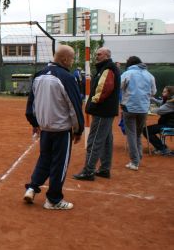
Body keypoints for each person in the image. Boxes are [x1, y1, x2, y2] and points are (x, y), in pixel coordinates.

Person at [23, 45, 84, 210]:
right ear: (64, 59)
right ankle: (53, 199)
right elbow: (74, 106)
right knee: (59, 164)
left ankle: (32, 188)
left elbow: (31, 104)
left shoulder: (39, 75)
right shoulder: (67, 77)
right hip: (61, 130)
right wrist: (78, 130)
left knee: (44, 159)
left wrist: (34, 123)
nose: (72, 62)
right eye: (71, 59)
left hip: (45, 129)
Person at [73, 47, 120, 181]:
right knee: (106, 140)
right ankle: (104, 169)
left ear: (106, 56)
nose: (96, 56)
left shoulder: (108, 69)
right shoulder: (106, 68)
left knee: (94, 140)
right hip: (106, 111)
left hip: (102, 111)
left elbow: (105, 89)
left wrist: (93, 104)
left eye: (99, 54)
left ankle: (88, 171)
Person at [121, 56, 156, 171]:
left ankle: (134, 161)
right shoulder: (149, 75)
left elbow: (120, 87)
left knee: (131, 134)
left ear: (130, 63)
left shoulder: (127, 74)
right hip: (143, 109)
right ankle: (138, 157)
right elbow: (153, 92)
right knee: (138, 133)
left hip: (129, 108)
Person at [143, 86, 174, 155]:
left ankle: (163, 149)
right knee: (147, 130)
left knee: (147, 130)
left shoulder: (170, 103)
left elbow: (158, 111)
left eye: (164, 92)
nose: (162, 93)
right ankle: (161, 147)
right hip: (168, 123)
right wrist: (151, 98)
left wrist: (148, 108)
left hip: (170, 124)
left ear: (170, 93)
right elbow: (161, 102)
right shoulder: (169, 100)